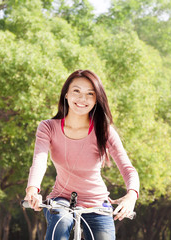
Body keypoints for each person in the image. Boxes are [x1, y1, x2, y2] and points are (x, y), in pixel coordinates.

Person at [24, 69, 140, 240]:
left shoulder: (104, 131)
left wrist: (131, 196)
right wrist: (32, 190)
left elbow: (128, 169)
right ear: (66, 94)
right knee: (60, 223)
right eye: (76, 91)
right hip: (61, 199)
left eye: (90, 94)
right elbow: (39, 161)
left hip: (97, 204)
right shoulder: (47, 127)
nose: (82, 99)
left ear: (96, 99)